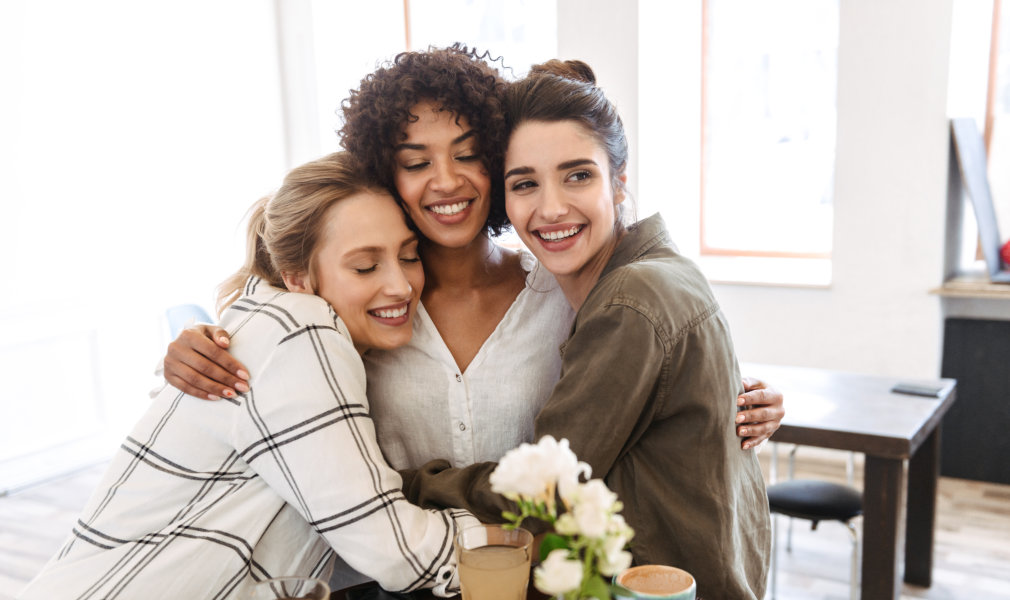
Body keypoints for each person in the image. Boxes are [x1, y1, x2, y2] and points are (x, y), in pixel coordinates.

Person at [163, 47, 785, 479]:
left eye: (467, 154)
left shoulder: (561, 294)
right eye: (415, 162)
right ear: (386, 173)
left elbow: (650, 368)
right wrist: (194, 346)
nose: (446, 181)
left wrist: (745, 399)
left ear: (498, 163)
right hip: (387, 578)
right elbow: (268, 326)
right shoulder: (363, 300)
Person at [19, 153, 476, 600]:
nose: (399, 285)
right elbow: (395, 550)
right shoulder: (303, 329)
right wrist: (519, 541)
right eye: (364, 266)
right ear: (295, 276)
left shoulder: (268, 321)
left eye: (410, 256)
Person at [402, 59, 772, 598]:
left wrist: (408, 483)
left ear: (619, 182)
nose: (551, 208)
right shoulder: (659, 273)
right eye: (525, 183)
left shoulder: (630, 299)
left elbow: (544, 488)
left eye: (578, 175)